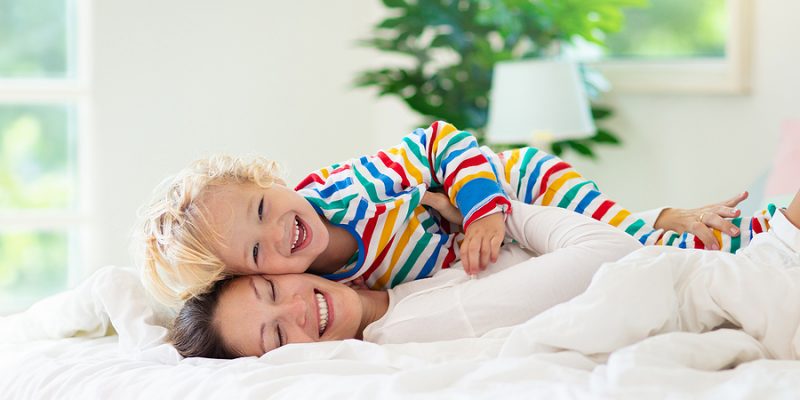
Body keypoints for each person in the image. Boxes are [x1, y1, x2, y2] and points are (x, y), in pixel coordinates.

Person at [135, 121, 772, 306]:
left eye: (263, 208)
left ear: (270, 180)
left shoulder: (339, 190)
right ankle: (674, 220)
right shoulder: (323, 289)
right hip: (480, 241)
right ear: (250, 277)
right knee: (602, 251)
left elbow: (437, 141)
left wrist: (483, 210)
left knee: (616, 234)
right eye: (255, 250)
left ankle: (743, 237)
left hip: (508, 184)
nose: (280, 231)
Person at [169, 192, 798, 359]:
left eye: (272, 291)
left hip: (725, 267)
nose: (297, 311)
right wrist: (504, 215)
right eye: (276, 337)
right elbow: (603, 255)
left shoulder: (405, 282)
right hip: (734, 283)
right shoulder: (421, 325)